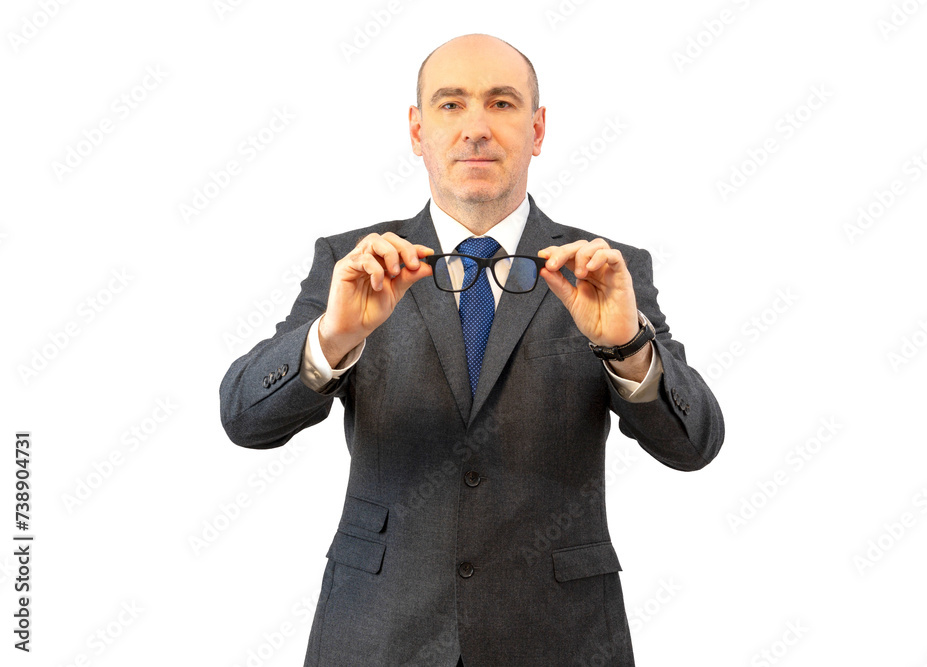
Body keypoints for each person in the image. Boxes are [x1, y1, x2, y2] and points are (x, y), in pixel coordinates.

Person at [219, 33, 724, 667]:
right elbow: (244, 419)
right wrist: (333, 339)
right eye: (451, 104)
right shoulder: (354, 262)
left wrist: (626, 346)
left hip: (559, 637)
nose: (476, 128)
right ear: (417, 129)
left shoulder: (603, 269)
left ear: (537, 129)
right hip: (379, 633)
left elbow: (694, 444)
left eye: (502, 103)